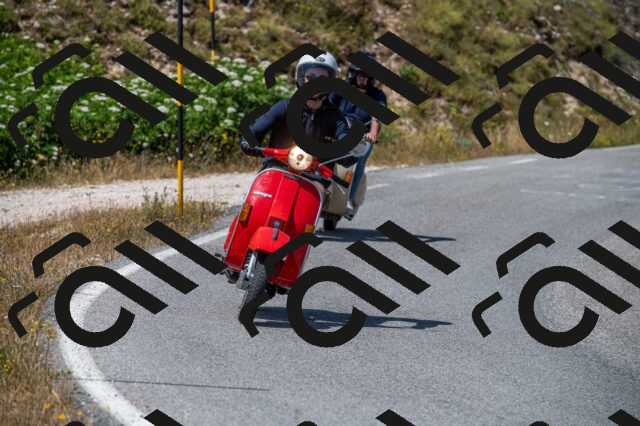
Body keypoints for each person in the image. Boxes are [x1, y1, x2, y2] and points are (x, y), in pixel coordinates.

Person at [239, 51, 350, 170]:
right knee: (260, 183)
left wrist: (345, 152)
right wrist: (248, 142)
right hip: (276, 168)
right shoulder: (284, 106)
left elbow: (346, 142)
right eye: (310, 77)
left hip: (316, 176)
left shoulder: (336, 116)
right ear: (301, 78)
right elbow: (254, 131)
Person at [329, 51, 387, 215]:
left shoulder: (377, 95)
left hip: (361, 135)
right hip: (337, 128)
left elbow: (377, 115)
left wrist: (373, 134)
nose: (362, 78)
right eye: (359, 74)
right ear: (353, 73)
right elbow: (328, 105)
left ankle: (348, 198)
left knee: (362, 154)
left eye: (366, 75)